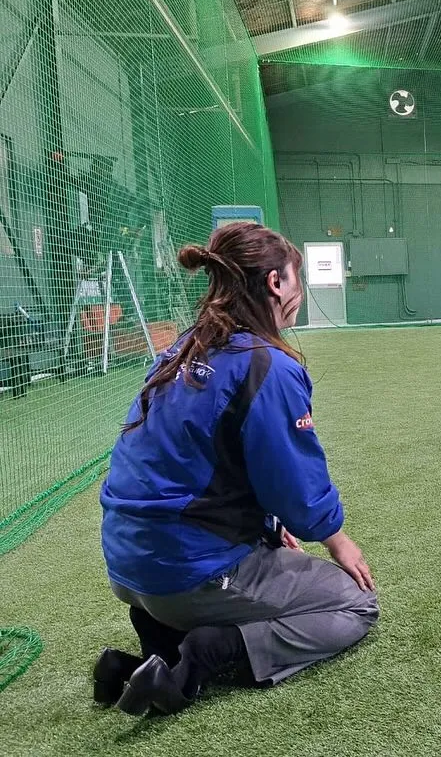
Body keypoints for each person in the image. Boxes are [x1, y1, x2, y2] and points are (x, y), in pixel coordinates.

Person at [95, 222, 378, 716]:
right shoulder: (266, 364)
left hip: (125, 565)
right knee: (355, 606)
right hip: (186, 574)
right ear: (275, 283)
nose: (299, 293)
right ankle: (212, 651)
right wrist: (336, 538)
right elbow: (300, 493)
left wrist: (265, 526)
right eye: (296, 279)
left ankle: (154, 652)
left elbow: (204, 464)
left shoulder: (180, 348)